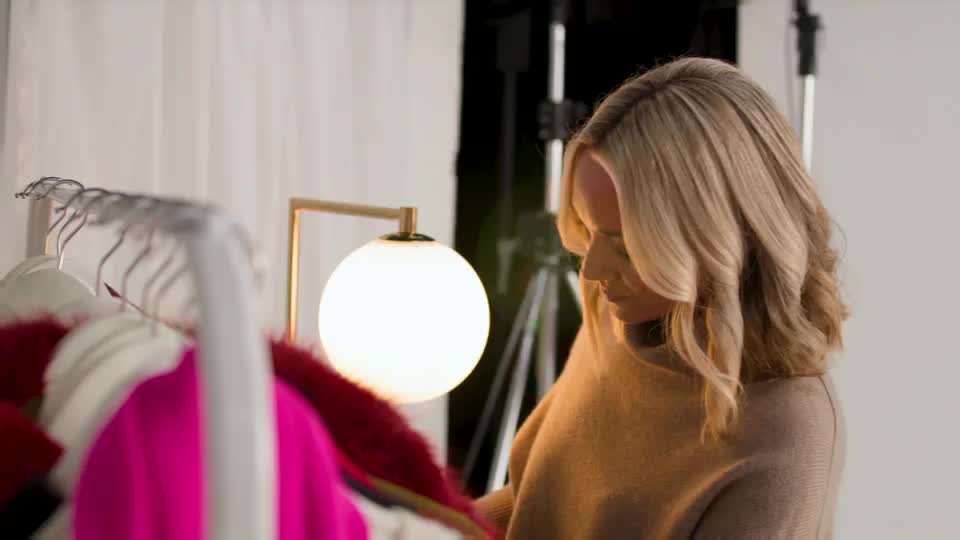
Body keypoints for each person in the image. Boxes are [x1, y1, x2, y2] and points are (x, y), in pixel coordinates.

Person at [475, 57, 847, 539]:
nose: (592, 270)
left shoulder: (788, 434)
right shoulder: (616, 320)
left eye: (628, 247)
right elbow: (539, 500)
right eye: (589, 232)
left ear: (718, 236)